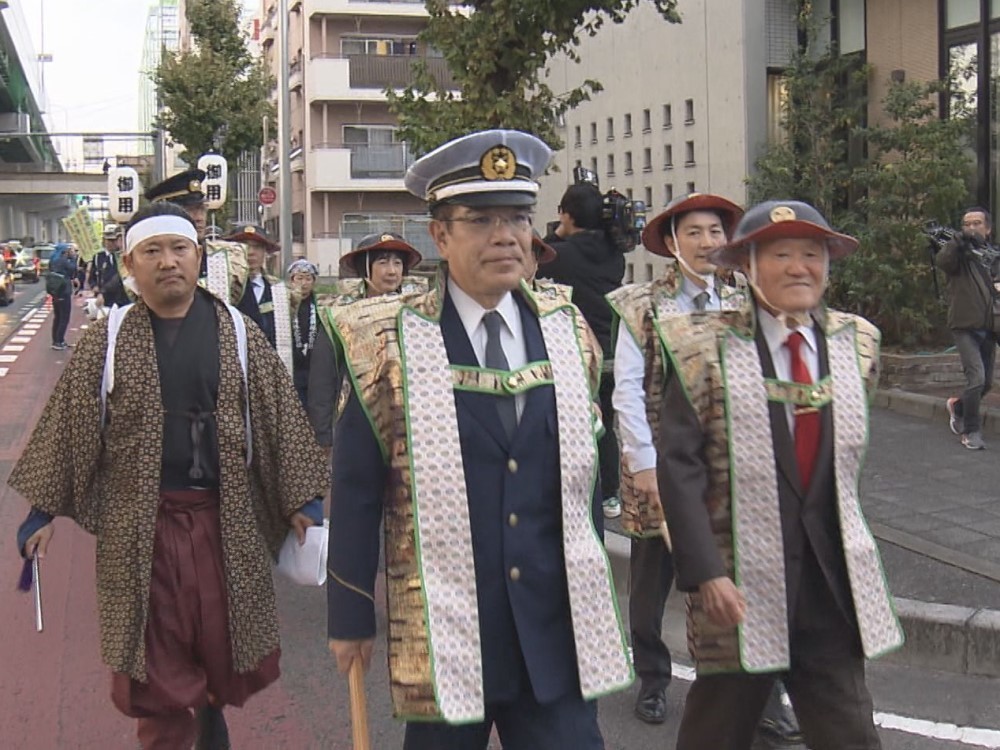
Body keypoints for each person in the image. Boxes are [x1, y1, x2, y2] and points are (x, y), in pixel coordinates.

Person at [326, 130, 632, 749]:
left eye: (518, 217)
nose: (505, 235)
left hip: (555, 633)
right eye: (482, 219)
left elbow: (580, 482)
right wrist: (350, 613)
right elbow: (357, 487)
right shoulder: (390, 340)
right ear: (440, 235)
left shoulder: (567, 329)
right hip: (449, 636)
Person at [12, 201, 328, 750]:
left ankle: (209, 714)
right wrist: (41, 512)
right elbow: (69, 425)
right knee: (152, 659)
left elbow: (278, 416)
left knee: (218, 639)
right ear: (130, 265)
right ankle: (167, 735)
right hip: (140, 526)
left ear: (198, 257)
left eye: (178, 249)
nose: (167, 262)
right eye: (151, 252)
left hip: (222, 518)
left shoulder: (238, 332)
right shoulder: (108, 339)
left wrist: (305, 501)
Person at [655, 200, 904, 750]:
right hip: (738, 585)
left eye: (811, 254)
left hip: (826, 582)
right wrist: (706, 572)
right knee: (715, 732)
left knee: (850, 732)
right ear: (746, 265)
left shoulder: (855, 343)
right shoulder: (700, 347)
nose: (799, 267)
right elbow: (680, 468)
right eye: (782, 254)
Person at [607, 192, 746, 726]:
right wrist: (643, 464)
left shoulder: (746, 298)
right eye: (695, 233)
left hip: (728, 472)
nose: (708, 242)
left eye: (715, 231)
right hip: (660, 466)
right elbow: (626, 388)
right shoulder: (640, 304)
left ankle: (755, 693)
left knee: (735, 578)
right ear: (671, 242)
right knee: (651, 582)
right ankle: (653, 677)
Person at [542, 182, 624, 519]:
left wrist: (557, 232)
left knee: (580, 423)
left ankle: (582, 491)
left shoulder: (560, 255)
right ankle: (611, 495)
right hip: (614, 352)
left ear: (566, 213)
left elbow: (542, 255)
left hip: (579, 353)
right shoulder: (615, 254)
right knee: (608, 424)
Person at [306, 233, 422, 454]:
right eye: (383, 262)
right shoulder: (340, 316)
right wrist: (323, 433)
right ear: (365, 267)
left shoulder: (415, 312)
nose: (392, 271)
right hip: (356, 419)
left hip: (408, 422)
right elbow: (323, 378)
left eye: (398, 263)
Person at [938, 207, 999, 450]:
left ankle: (958, 407)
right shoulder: (959, 256)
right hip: (964, 326)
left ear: (988, 228)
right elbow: (943, 261)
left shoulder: (991, 257)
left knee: (986, 384)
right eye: (967, 224)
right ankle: (971, 431)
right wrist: (957, 240)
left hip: (989, 326)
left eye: (977, 223)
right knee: (976, 378)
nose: (971, 228)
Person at [229, 224, 294, 373]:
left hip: (269, 371)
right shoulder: (223, 289)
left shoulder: (281, 292)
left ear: (265, 252)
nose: (250, 252)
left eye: (257, 247)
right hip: (234, 369)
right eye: (243, 246)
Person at [287, 258, 320, 407]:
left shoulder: (321, 305)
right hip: (292, 366)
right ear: (292, 280)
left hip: (315, 368)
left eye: (308, 279)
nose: (304, 283)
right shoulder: (284, 304)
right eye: (299, 278)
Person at [47, 242, 77, 350]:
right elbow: (73, 269)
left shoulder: (53, 260)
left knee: (57, 316)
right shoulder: (63, 261)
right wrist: (74, 258)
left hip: (55, 291)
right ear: (64, 251)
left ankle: (56, 340)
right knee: (64, 317)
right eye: (69, 250)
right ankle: (59, 341)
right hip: (64, 291)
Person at [91, 224, 121, 291]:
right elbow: (92, 276)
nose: (112, 243)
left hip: (120, 295)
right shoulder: (97, 257)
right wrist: (94, 286)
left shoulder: (122, 256)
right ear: (104, 240)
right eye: (109, 240)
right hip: (102, 294)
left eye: (114, 240)